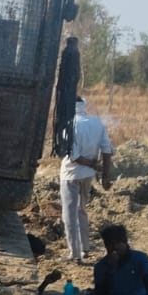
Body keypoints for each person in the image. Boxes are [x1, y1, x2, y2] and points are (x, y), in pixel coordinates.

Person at [60, 96, 114, 263]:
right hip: (88, 175)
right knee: (81, 210)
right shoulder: (96, 122)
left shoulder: (70, 125)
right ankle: (85, 248)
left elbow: (74, 156)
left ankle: (75, 253)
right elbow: (107, 150)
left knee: (69, 214)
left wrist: (91, 163)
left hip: (71, 174)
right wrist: (105, 175)